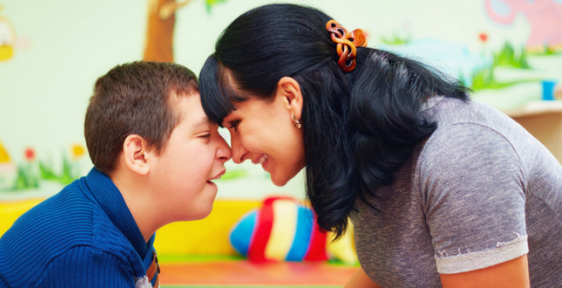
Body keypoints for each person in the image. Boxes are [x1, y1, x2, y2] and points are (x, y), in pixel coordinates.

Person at [199, 4, 562, 288]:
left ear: (290, 97)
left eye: (235, 124)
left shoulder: (458, 153)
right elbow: (394, 267)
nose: (235, 152)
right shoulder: (367, 148)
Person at [0, 61, 231, 288]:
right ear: (139, 154)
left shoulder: (119, 222)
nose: (227, 150)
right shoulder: (90, 251)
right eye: (205, 135)